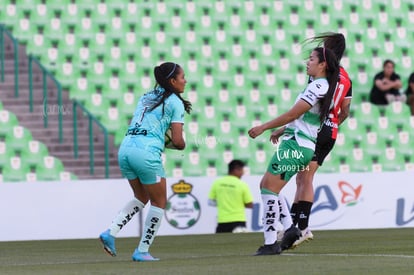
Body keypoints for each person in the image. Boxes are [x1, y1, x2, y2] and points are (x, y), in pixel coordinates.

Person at [248, 46, 340, 255]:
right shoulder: (323, 86)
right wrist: (281, 131)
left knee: (269, 190)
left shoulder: (318, 86)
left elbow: (292, 114)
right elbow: (301, 118)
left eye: (311, 59)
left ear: (322, 64)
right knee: (266, 186)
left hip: (297, 146)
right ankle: (290, 228)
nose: (308, 62)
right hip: (299, 144)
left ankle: (271, 241)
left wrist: (264, 127)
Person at [99, 62, 192, 262]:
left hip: (125, 149)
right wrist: (179, 144)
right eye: (182, 77)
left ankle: (111, 231)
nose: (185, 80)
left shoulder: (145, 97)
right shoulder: (175, 102)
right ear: (172, 81)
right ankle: (142, 250)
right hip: (146, 153)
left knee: (141, 197)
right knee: (159, 202)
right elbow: (177, 141)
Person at [273, 33, 353, 250]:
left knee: (304, 179)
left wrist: (283, 128)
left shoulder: (323, 75)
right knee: (304, 178)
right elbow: (345, 111)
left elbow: (308, 108)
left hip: (316, 129)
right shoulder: (346, 78)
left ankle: (302, 228)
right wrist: (333, 125)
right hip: (331, 131)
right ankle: (295, 227)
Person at [208, 159, 254, 233]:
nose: (242, 173)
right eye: (242, 171)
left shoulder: (217, 183)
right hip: (238, 221)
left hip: (222, 221)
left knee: (220, 244)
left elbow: (210, 202)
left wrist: (223, 203)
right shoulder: (242, 184)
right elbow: (250, 205)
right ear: (236, 170)